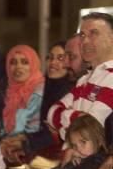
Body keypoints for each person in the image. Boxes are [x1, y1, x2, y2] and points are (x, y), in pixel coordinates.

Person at [47, 12, 113, 140]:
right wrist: (77, 118)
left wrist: (65, 118)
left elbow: (89, 131)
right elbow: (52, 112)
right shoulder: (84, 79)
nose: (85, 41)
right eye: (82, 35)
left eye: (94, 33)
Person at [0, 45, 44, 139]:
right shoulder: (6, 92)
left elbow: (33, 129)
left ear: (33, 64)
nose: (18, 66)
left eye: (25, 62)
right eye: (13, 62)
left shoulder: (40, 92)